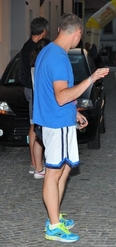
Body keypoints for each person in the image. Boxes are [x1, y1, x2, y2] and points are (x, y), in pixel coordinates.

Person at [33, 13, 109, 242]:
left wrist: (74, 112)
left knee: (64, 169)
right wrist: (91, 79)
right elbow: (60, 96)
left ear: (59, 28)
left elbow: (48, 93)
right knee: (54, 173)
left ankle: (54, 215)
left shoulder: (47, 51)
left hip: (57, 119)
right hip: (57, 124)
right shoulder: (59, 58)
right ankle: (54, 226)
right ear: (77, 33)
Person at [19, 17, 49, 178]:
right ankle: (34, 164)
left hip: (30, 89)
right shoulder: (34, 48)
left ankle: (34, 163)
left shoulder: (26, 46)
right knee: (34, 127)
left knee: (34, 126)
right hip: (34, 91)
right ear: (43, 31)